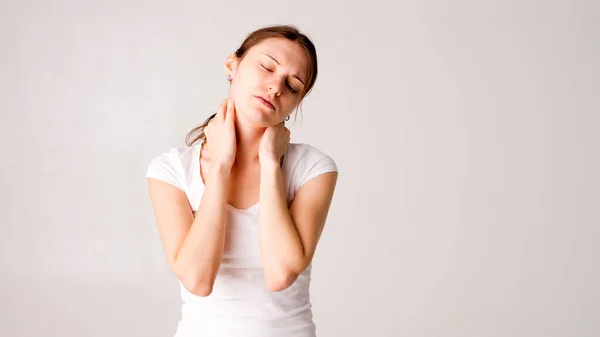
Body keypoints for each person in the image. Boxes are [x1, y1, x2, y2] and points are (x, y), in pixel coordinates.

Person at [146, 24, 338, 337]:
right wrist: (221, 165)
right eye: (267, 67)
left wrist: (271, 164)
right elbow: (197, 280)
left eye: (293, 84)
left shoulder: (312, 168)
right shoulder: (171, 171)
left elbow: (280, 274)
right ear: (232, 65)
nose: (276, 87)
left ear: (296, 103)